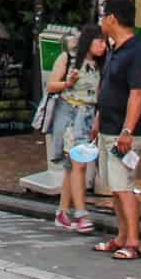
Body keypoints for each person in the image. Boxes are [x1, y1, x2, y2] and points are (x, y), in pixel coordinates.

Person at [91, 0, 141, 261]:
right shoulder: (115, 49)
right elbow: (109, 88)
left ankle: (134, 241)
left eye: (104, 16)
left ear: (112, 18)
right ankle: (122, 236)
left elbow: (137, 93)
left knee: (124, 186)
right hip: (108, 126)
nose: (101, 21)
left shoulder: (136, 50)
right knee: (115, 186)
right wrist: (98, 118)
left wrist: (128, 130)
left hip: (124, 132)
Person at [47, 27, 103, 233]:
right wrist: (67, 83)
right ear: (89, 41)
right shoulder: (68, 58)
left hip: (88, 117)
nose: (103, 46)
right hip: (70, 116)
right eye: (100, 41)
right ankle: (81, 214)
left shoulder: (100, 65)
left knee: (72, 166)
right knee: (79, 164)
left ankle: (62, 212)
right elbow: (51, 85)